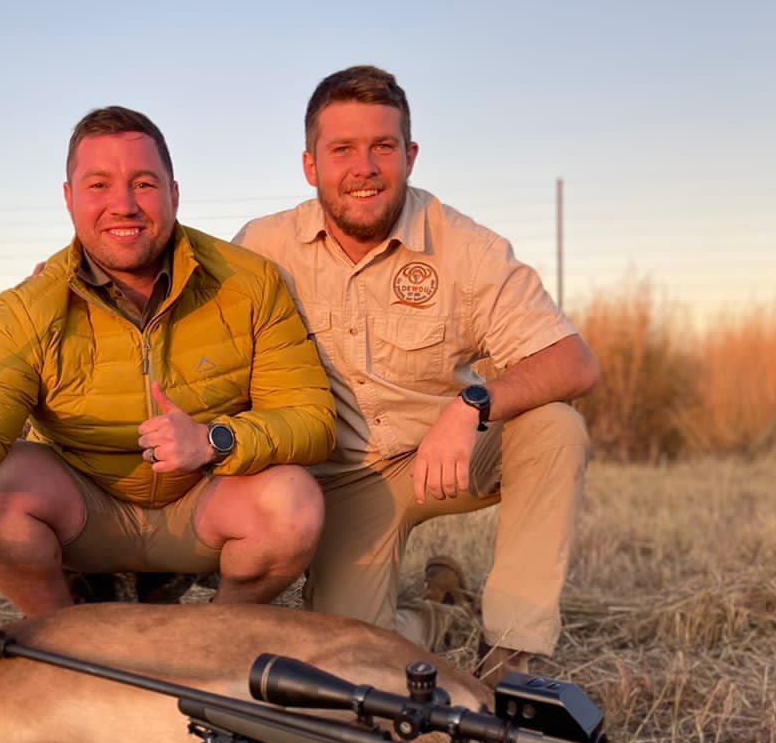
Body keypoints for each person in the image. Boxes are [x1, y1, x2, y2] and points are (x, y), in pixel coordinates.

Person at [235, 66, 600, 683]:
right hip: (344, 482)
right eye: (342, 149)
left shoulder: (466, 247)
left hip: (446, 456)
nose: (364, 167)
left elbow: (573, 361)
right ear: (310, 165)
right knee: (353, 661)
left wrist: (471, 406)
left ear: (410, 155)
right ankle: (437, 610)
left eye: (383, 146)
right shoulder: (260, 247)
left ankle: (509, 654)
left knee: (555, 426)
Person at [0, 107, 335, 615]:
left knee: (293, 503)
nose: (124, 206)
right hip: (85, 516)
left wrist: (214, 440)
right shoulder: (30, 305)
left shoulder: (250, 282)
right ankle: (61, 637)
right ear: (69, 199)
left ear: (174, 194)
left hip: (202, 507)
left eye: (144, 184)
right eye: (99, 185)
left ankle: (217, 634)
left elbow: (311, 420)